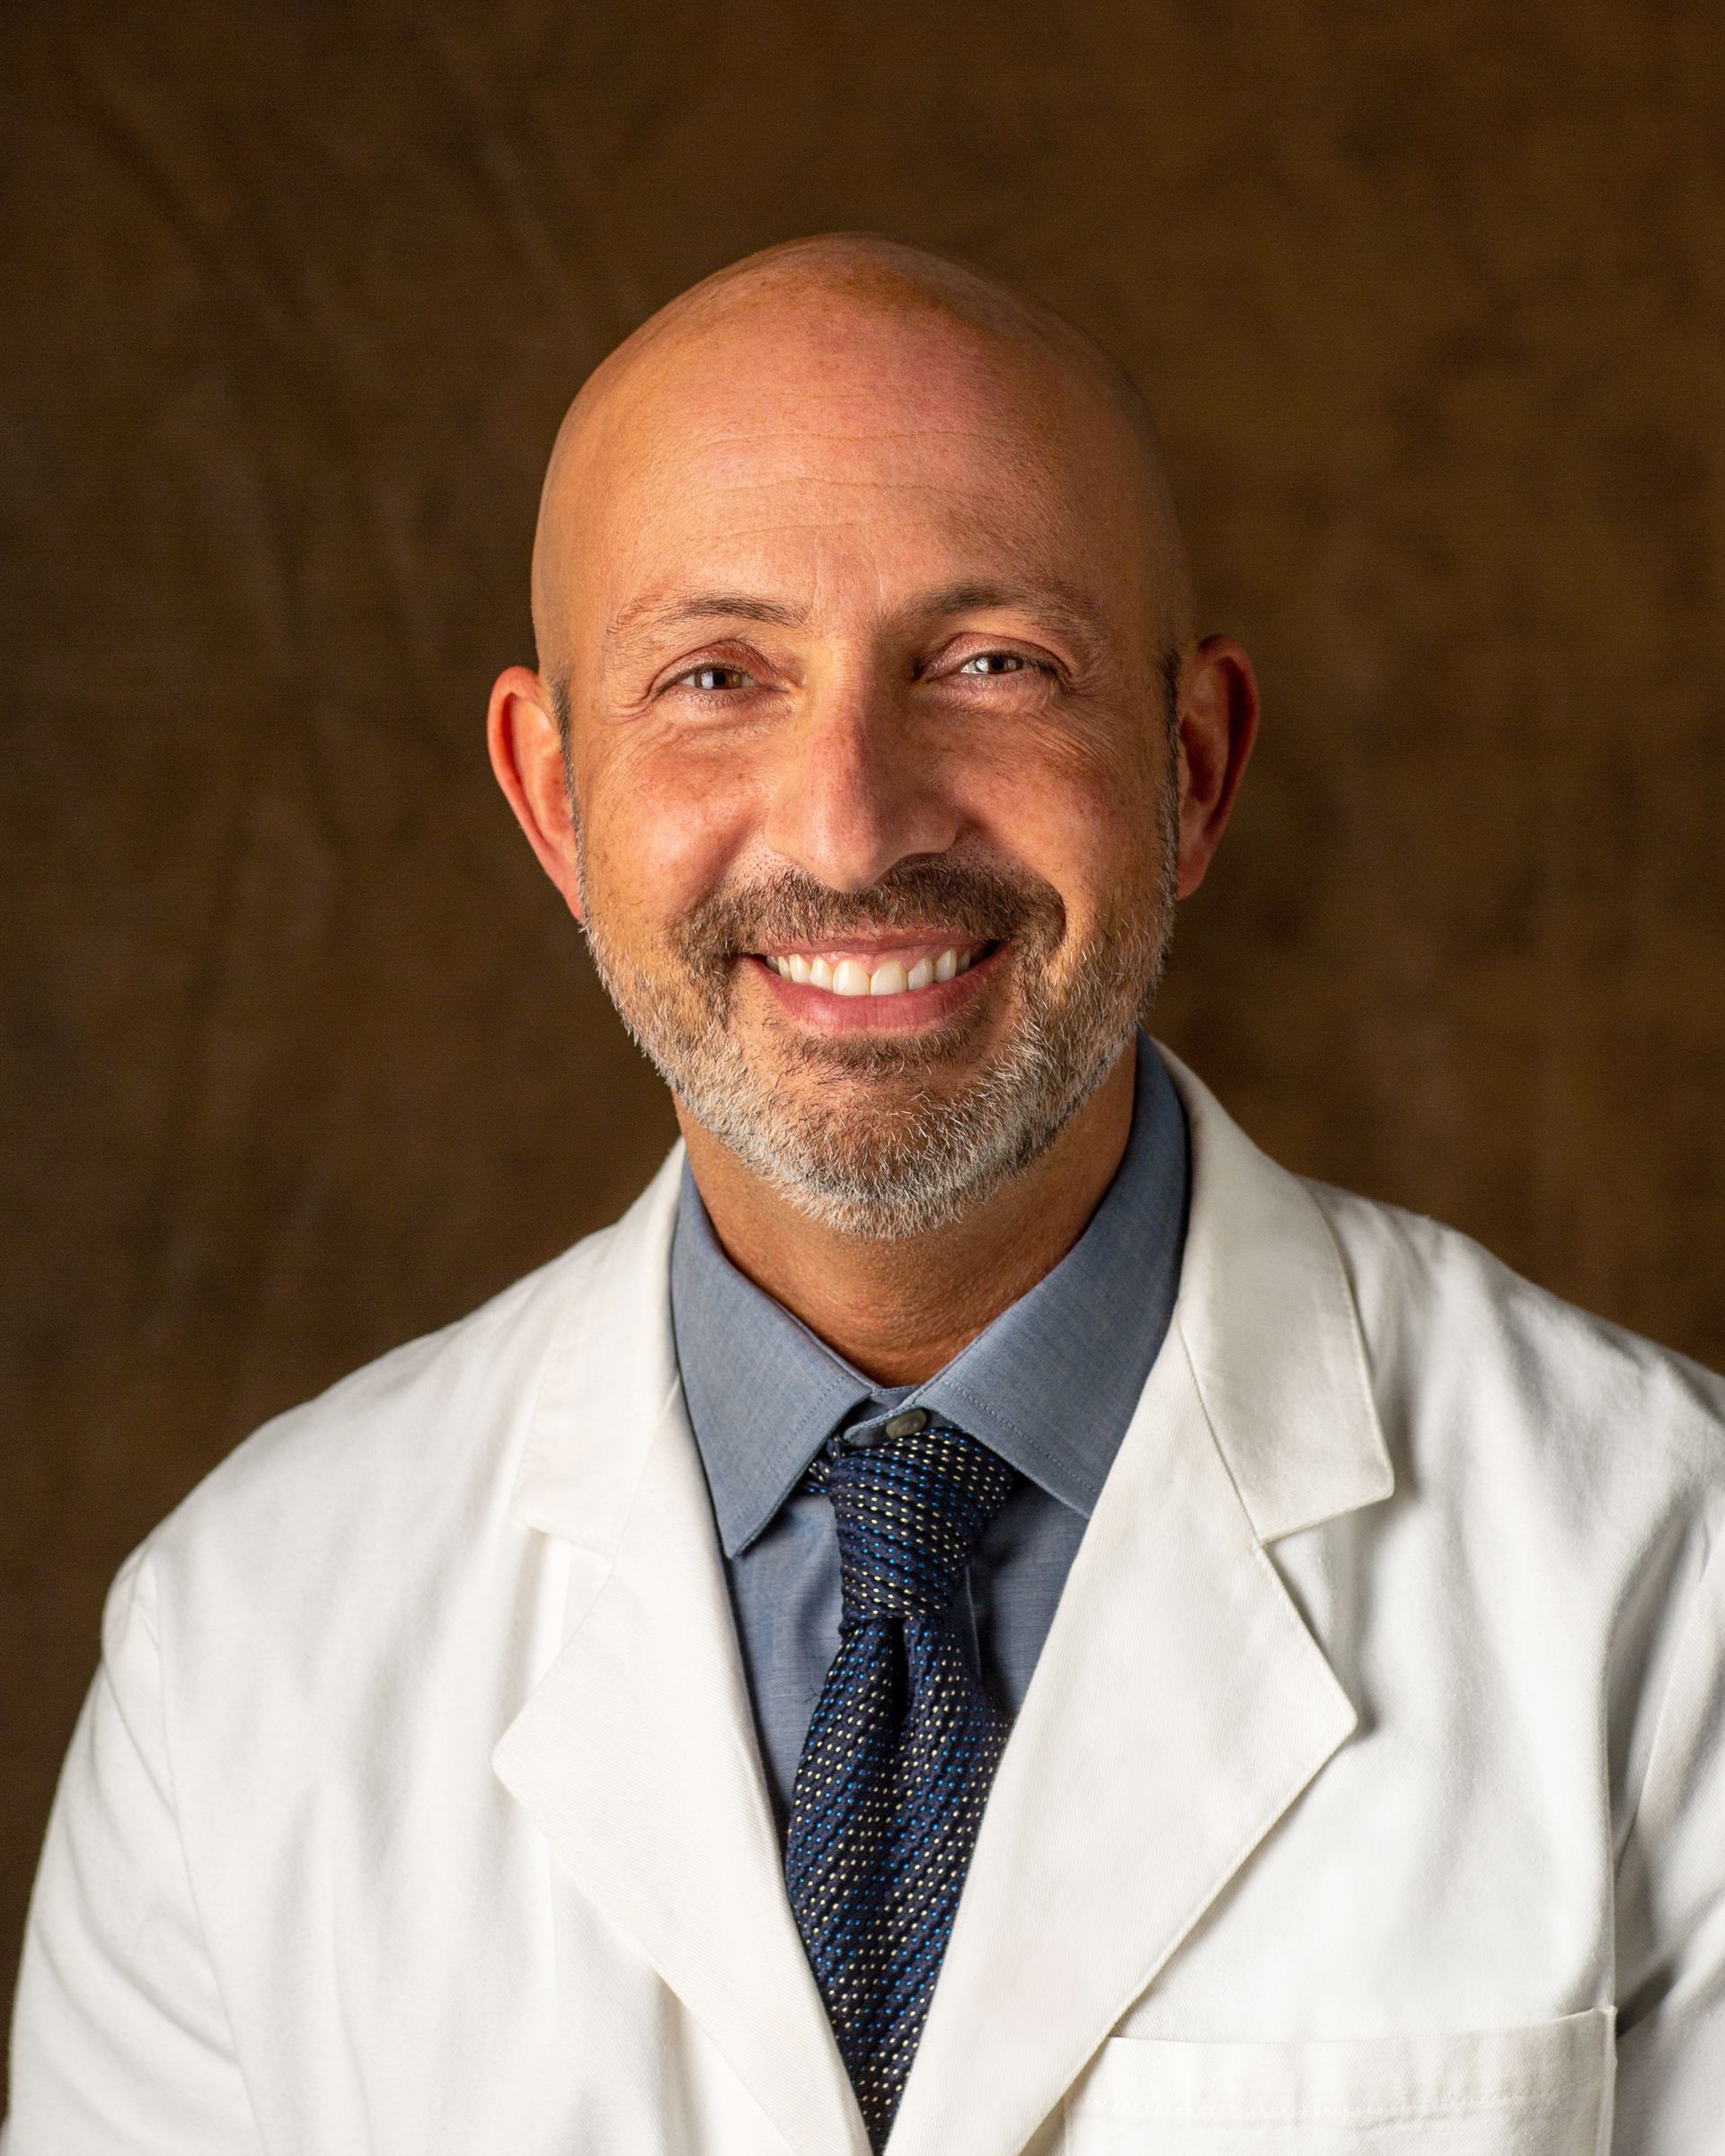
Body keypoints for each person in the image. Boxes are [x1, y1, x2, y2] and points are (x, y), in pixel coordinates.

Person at [6, 234, 1722, 2156]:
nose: (852, 821)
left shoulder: (1670, 1579)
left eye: (992, 664)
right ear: (556, 801)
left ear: (1192, 769)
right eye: (717, 677)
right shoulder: (239, 1650)